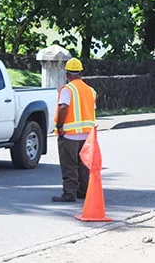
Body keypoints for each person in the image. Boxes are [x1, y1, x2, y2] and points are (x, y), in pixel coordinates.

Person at [52, 58, 97, 202]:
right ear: (81, 73)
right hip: (87, 135)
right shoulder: (91, 90)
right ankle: (83, 191)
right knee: (84, 164)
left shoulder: (68, 89)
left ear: (67, 74)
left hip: (70, 134)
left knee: (69, 164)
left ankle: (69, 193)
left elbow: (63, 107)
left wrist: (59, 126)